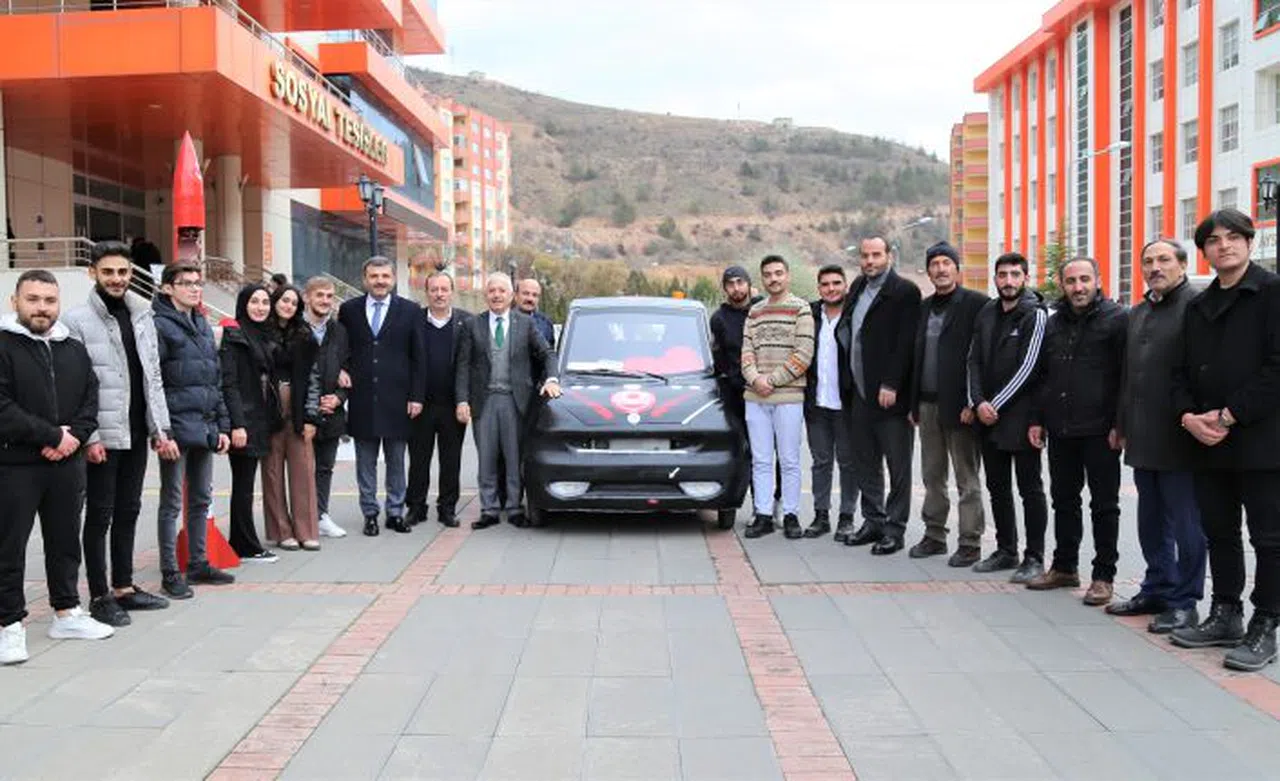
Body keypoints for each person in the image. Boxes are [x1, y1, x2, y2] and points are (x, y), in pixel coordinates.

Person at [1170, 209, 1280, 672]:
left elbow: (1276, 369)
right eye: (1214, 240)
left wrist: (1230, 414)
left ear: (1249, 243)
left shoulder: (1271, 293)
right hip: (1207, 440)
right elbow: (1178, 372)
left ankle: (1266, 623)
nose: (1224, 245)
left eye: (1234, 237)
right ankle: (1226, 612)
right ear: (1204, 251)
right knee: (1219, 531)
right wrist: (1188, 417)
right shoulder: (1198, 306)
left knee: (1269, 538)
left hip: (1261, 439)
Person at [0, 271, 113, 665]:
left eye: (49, 300)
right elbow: (3, 408)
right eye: (32, 299)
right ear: (15, 302)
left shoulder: (72, 349)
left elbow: (90, 397)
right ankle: (9, 625)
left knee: (65, 541)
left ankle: (66, 613)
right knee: (8, 547)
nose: (42, 308)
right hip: (14, 464)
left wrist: (74, 437)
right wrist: (51, 435)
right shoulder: (3, 345)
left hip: (66, 463)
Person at [63, 241, 176, 627]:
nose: (116, 279)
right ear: (92, 273)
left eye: (123, 272)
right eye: (108, 272)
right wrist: (90, 437)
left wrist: (160, 428)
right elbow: (74, 385)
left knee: (129, 509)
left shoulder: (143, 315)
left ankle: (124, 587)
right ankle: (99, 595)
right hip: (102, 436)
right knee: (100, 515)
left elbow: (153, 376)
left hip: (136, 431)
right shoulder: (76, 321)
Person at [1109, 239, 1206, 633]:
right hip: (1142, 434)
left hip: (1182, 436)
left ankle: (1186, 601)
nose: (1155, 267)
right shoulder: (1139, 312)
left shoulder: (1196, 307)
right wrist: (1121, 423)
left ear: (1183, 263)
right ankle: (1157, 588)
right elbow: (1128, 373)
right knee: (1150, 522)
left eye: (1164, 259)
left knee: (1187, 525)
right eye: (1148, 261)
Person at [1025, 258, 1127, 607]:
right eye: (1071, 281)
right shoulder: (1054, 323)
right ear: (1062, 284)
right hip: (1061, 428)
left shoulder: (1117, 320)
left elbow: (1125, 377)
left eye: (1085, 279)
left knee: (1104, 505)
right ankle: (1065, 566)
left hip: (1101, 430)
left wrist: (1119, 423)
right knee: (1064, 501)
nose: (1078, 287)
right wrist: (1037, 419)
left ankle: (1103, 576)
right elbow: (1043, 376)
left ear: (1098, 280)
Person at [153, 264, 234, 599]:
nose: (194, 288)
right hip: (174, 429)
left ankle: (198, 563)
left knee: (201, 499)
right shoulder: (159, 325)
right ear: (167, 288)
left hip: (204, 426)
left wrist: (221, 426)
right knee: (171, 503)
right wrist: (162, 432)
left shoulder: (201, 323)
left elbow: (215, 380)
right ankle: (170, 572)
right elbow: (153, 382)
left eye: (197, 283)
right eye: (185, 283)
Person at [967, 252, 1048, 583]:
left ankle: (1034, 557)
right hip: (987, 419)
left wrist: (994, 404)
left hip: (1022, 418)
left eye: (1015, 274)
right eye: (1003, 275)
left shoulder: (1035, 314)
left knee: (1030, 488)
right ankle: (1006, 549)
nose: (1009, 281)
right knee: (997, 486)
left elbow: (1029, 367)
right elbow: (972, 360)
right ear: (995, 278)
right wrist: (977, 402)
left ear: (1025, 277)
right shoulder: (987, 312)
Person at [455, 272, 559, 529]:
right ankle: (489, 509)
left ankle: (514, 508)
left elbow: (547, 353)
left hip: (515, 401)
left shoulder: (525, 324)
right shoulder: (473, 325)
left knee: (514, 458)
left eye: (502, 291)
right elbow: (463, 366)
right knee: (487, 458)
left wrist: (552, 379)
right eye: (492, 291)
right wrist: (462, 400)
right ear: (485, 295)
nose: (497, 295)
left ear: (511, 296)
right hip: (484, 402)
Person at [840, 236, 922, 555]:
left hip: (890, 396)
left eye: (876, 255)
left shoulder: (905, 292)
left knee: (898, 467)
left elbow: (906, 343)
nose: (870, 261)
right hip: (859, 392)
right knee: (865, 462)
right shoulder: (858, 287)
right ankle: (873, 521)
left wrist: (892, 383)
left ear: (889, 256)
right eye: (865, 256)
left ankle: (894, 529)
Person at [909, 241, 989, 566]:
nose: (940, 269)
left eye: (946, 263)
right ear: (928, 271)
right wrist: (913, 405)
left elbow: (982, 358)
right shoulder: (923, 308)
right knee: (932, 475)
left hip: (961, 408)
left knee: (967, 479)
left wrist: (974, 401)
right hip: (927, 405)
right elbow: (915, 358)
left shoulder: (977, 305)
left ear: (957, 268)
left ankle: (970, 542)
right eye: (935, 264)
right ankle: (934, 535)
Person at [338, 257, 426, 537]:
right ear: (365, 279)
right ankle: (370, 514)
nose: (380, 281)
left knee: (396, 461)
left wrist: (416, 396)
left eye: (385, 276)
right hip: (363, 398)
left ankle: (395, 512)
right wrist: (341, 369)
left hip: (398, 399)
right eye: (374, 276)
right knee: (365, 462)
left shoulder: (411, 311)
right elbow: (342, 348)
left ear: (393, 279)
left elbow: (418, 358)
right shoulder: (349, 310)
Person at [740, 255, 815, 539]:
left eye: (778, 273)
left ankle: (791, 514)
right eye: (768, 274)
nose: (773, 278)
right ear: (762, 279)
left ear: (788, 275)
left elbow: (803, 354)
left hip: (788, 397)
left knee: (789, 459)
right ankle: (763, 515)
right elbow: (746, 352)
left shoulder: (801, 309)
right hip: (755, 397)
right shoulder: (754, 312)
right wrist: (755, 379)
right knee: (760, 460)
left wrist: (771, 381)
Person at [710, 265, 778, 515]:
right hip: (737, 395)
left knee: (778, 452)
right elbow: (718, 359)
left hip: (772, 389)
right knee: (744, 452)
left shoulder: (764, 310)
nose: (736, 288)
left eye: (740, 282)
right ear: (724, 288)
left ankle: (778, 503)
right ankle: (754, 507)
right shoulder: (719, 319)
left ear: (749, 284)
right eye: (731, 284)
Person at [219, 284, 280, 562]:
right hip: (244, 421)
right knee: (243, 486)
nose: (260, 307)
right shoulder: (235, 336)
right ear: (243, 304)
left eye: (265, 302)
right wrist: (237, 424)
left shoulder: (264, 334)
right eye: (254, 302)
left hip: (260, 419)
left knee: (246, 485)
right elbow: (229, 383)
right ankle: (246, 546)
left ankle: (242, 541)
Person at [407, 272, 472, 528]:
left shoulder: (466, 321)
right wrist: (412, 395)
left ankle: (447, 509)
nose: (439, 294)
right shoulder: (414, 321)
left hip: (452, 405)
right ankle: (416, 508)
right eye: (434, 289)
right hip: (420, 404)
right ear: (427, 293)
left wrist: (466, 400)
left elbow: (472, 363)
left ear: (452, 292)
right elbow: (407, 360)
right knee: (418, 460)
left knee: (451, 461)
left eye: (444, 289)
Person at [801, 264, 859, 540]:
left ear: (845, 285)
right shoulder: (810, 315)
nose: (831, 288)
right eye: (825, 284)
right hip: (817, 403)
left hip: (846, 403)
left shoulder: (854, 314)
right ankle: (821, 516)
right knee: (821, 461)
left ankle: (847, 517)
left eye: (836, 283)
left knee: (848, 462)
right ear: (819, 288)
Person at [261, 285, 319, 550]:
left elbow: (314, 378)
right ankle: (282, 531)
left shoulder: (305, 335)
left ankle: (306, 531)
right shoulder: (262, 332)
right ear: (275, 301)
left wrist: (311, 416)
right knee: (272, 472)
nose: (288, 306)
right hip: (270, 408)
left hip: (298, 407)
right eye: (284, 300)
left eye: (294, 303)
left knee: (303, 471)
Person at [297, 277, 349, 539]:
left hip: (331, 413)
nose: (325, 301)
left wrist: (338, 397)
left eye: (329, 296)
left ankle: (320, 515)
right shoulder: (294, 328)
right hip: (300, 412)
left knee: (325, 468)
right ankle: (301, 519)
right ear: (306, 297)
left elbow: (349, 369)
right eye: (319, 295)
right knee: (301, 469)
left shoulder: (339, 331)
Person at [516, 277, 555, 348]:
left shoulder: (545, 323)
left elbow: (550, 351)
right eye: (526, 293)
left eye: (535, 295)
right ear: (516, 295)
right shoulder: (504, 320)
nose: (530, 299)